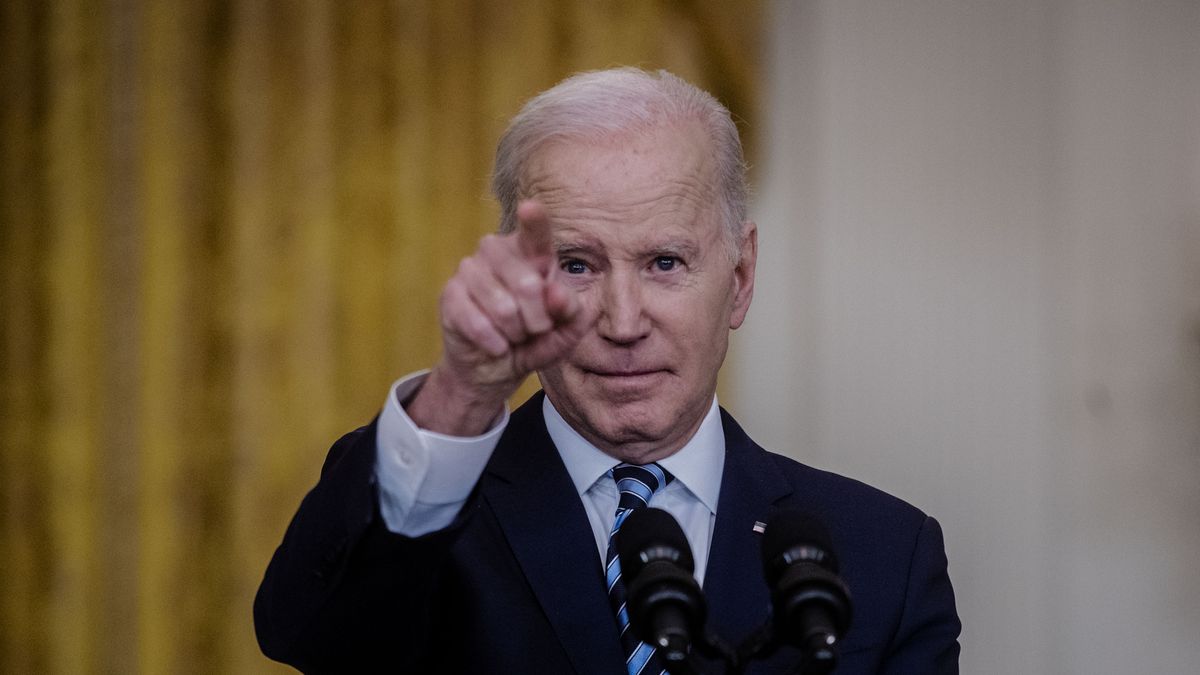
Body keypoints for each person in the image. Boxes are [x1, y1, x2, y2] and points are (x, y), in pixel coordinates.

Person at [254, 68, 961, 674]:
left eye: (664, 263)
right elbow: (314, 637)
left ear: (740, 276)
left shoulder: (883, 554)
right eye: (577, 265)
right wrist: (461, 395)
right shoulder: (430, 510)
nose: (622, 322)